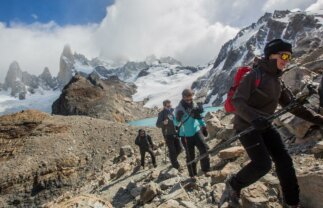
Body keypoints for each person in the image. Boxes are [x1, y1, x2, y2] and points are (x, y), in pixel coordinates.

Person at [220, 38, 323, 208]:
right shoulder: (253, 75)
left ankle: (292, 203)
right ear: (270, 56)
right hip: (246, 126)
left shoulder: (278, 81)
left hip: (265, 125)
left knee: (284, 161)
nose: (286, 60)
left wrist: (320, 120)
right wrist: (254, 118)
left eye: (289, 57)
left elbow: (293, 107)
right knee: (263, 164)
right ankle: (233, 185)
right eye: (283, 55)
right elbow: (238, 101)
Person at [174, 89, 210, 177]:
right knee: (190, 156)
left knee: (204, 149)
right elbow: (175, 123)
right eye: (187, 99)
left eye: (191, 99)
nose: (189, 101)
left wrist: (204, 126)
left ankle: (206, 170)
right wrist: (177, 118)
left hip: (196, 131)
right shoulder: (178, 109)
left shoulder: (194, 104)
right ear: (183, 97)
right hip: (185, 135)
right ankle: (192, 175)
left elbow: (199, 117)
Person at [156, 99, 182, 170]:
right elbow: (158, 125)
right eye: (168, 106)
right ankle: (176, 166)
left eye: (170, 105)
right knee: (172, 151)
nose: (169, 106)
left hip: (175, 133)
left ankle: (172, 159)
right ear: (164, 106)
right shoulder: (161, 113)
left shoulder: (172, 111)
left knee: (179, 148)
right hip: (168, 135)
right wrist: (163, 123)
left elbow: (175, 121)